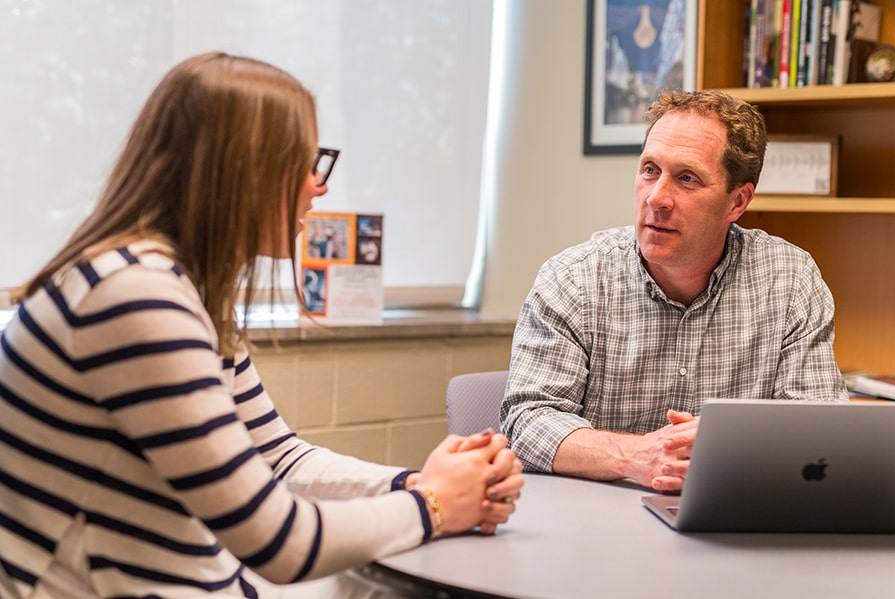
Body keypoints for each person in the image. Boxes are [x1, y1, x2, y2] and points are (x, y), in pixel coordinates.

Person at [0, 52, 523, 598]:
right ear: (243, 171)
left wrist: (415, 484)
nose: (318, 187)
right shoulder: (135, 298)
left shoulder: (182, 288)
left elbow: (277, 457)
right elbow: (278, 541)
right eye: (305, 162)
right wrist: (435, 506)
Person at [500, 89, 847, 494]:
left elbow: (822, 428)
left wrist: (732, 444)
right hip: (597, 527)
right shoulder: (573, 279)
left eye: (687, 178)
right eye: (650, 170)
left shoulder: (791, 281)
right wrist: (638, 456)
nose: (657, 198)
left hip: (734, 522)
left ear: (737, 201)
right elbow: (528, 421)